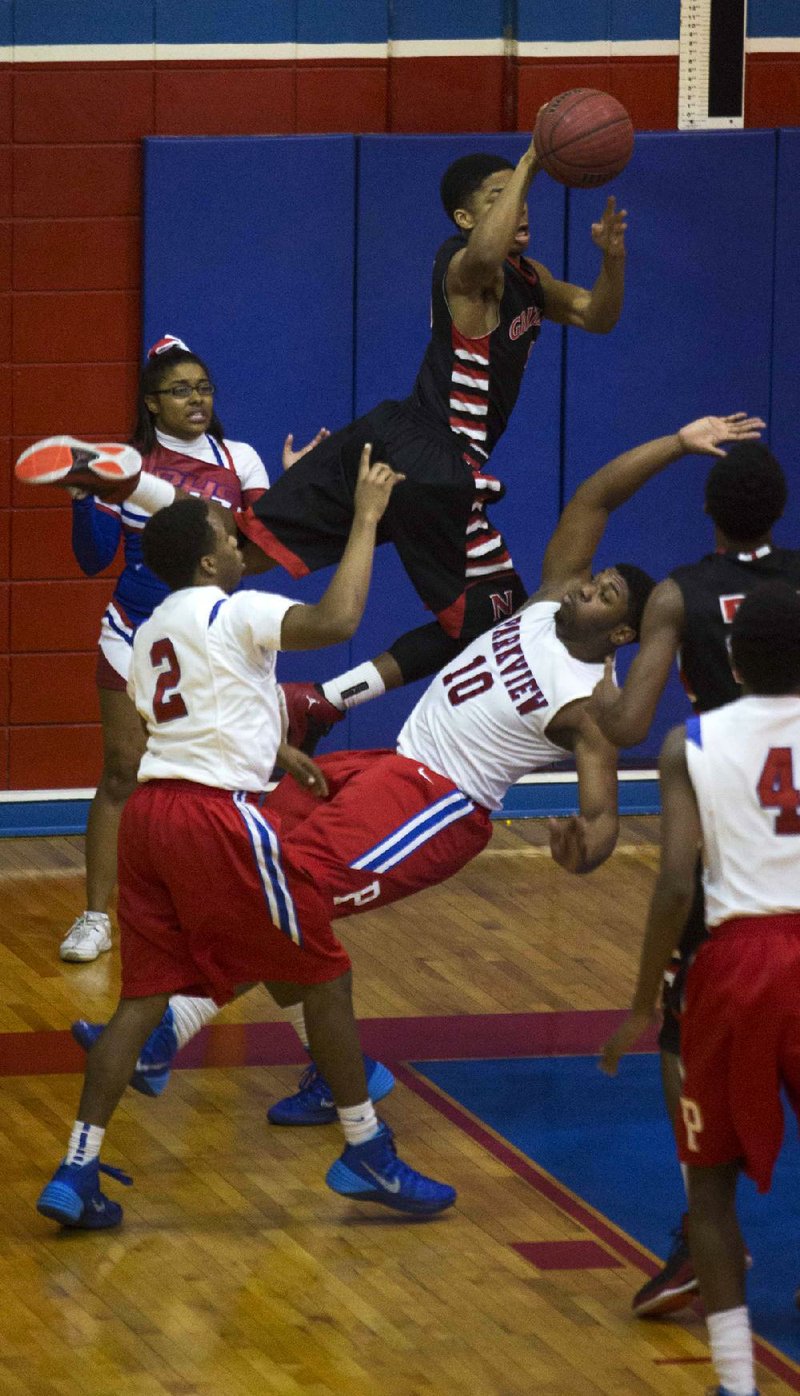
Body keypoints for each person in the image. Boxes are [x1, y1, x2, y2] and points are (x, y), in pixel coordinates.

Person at [69, 414, 764, 1126]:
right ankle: (330, 1071)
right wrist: (676, 444)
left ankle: (163, 1033)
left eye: (607, 595)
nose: (591, 586)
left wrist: (581, 851)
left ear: (621, 633)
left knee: (290, 897)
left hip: (439, 805)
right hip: (387, 765)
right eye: (600, 578)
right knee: (248, 868)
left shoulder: (589, 707)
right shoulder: (551, 596)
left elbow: (602, 819)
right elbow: (594, 497)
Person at [36, 446, 462, 1229]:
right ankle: (366, 1147)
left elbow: (195, 715)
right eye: (231, 536)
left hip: (151, 823)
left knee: (140, 999)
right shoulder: (235, 609)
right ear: (207, 559)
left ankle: (77, 1167)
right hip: (212, 818)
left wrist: (277, 750)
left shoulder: (152, 625)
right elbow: (337, 620)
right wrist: (367, 519)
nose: (242, 544)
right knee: (323, 968)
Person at [28, 334, 325, 964]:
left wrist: (292, 491)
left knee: (219, 777)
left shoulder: (238, 458)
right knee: (120, 772)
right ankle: (95, 917)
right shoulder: (125, 464)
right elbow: (90, 561)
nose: (196, 398)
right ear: (152, 403)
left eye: (203, 387)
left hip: (209, 640)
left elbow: (258, 557)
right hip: (132, 630)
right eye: (180, 389)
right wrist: (85, 499)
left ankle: (214, 911)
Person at [588, 437, 800, 1318]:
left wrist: (570, 663)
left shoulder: (676, 593)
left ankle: (697, 1233)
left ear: (707, 512)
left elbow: (632, 721)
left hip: (722, 825)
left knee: (683, 1038)